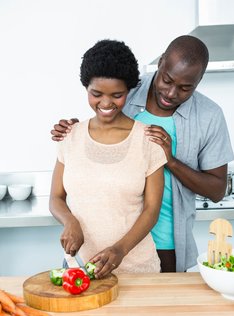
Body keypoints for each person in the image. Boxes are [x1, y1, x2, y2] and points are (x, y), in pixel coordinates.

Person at [50, 35, 234, 273]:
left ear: (199, 82)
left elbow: (217, 190)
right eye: (167, 80)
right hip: (109, 234)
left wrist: (171, 161)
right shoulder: (127, 87)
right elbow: (101, 114)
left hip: (166, 238)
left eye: (185, 88)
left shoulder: (209, 116)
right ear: (160, 63)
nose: (170, 93)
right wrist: (73, 130)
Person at [49, 39, 167, 279]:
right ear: (86, 88)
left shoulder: (148, 139)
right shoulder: (70, 136)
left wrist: (120, 250)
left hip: (136, 269)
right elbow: (56, 197)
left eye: (117, 95)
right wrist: (70, 221)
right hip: (78, 266)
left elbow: (152, 210)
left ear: (129, 91)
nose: (105, 103)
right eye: (96, 94)